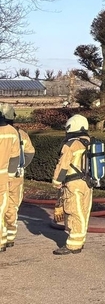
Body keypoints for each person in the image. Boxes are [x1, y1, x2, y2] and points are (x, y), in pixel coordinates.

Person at [52, 114, 92, 255]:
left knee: (74, 212)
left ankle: (73, 245)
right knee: (83, 211)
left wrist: (56, 181)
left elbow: (63, 165)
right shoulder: (89, 141)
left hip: (73, 184)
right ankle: (79, 240)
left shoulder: (70, 144)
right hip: (88, 183)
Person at [2, 104, 33, 249]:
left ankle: (3, 236)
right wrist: (20, 166)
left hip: (3, 175)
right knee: (12, 205)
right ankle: (10, 235)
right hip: (16, 177)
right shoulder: (20, 134)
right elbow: (30, 152)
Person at [0, 105, 18, 253]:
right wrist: (11, 175)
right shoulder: (13, 132)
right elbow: (15, 157)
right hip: (4, 177)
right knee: (2, 209)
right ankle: (2, 239)